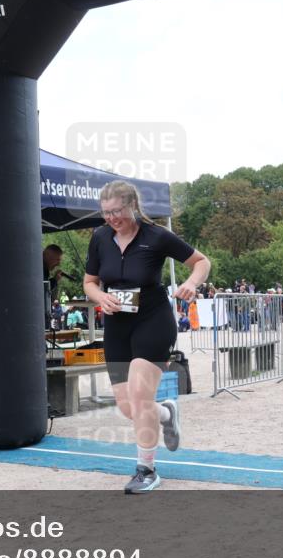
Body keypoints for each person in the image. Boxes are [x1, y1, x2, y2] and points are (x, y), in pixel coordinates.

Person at [83, 181, 210, 494]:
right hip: (116, 327)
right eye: (106, 212)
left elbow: (201, 261)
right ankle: (166, 412)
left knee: (141, 400)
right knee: (130, 408)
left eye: (118, 211)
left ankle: (146, 470)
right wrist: (100, 297)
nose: (112, 218)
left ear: (133, 206)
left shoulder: (156, 236)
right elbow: (89, 282)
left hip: (152, 321)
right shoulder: (100, 238)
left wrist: (192, 284)